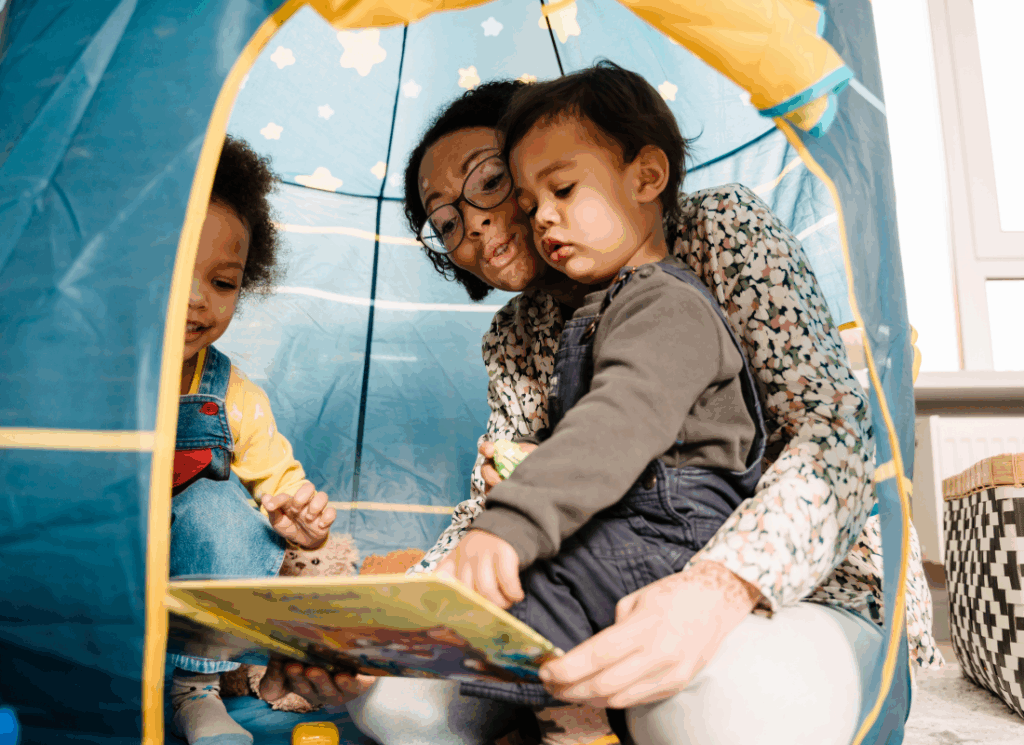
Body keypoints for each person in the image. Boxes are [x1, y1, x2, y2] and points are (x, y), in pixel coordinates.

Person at [262, 68, 939, 745]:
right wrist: (381, 631)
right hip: (604, 588)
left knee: (693, 710)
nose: (478, 223)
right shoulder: (514, 335)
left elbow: (834, 435)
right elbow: (485, 524)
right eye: (447, 220)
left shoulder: (711, 237)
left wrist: (720, 587)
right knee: (395, 700)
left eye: (494, 183)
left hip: (794, 583)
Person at [433, 63, 768, 728]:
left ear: (646, 177)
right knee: (508, 599)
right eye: (533, 206)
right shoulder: (588, 311)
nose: (543, 216)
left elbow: (615, 424)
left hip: (680, 527)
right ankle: (561, 717)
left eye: (561, 189)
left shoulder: (666, 304)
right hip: (633, 518)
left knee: (536, 578)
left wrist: (511, 519)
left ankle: (573, 721)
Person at [168, 135, 337, 745]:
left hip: (186, 570)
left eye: (222, 282)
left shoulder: (230, 391)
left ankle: (196, 687)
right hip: (103, 551)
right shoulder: (84, 366)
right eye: (176, 269)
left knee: (226, 513)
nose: (196, 299)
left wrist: (305, 523)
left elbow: (283, 487)